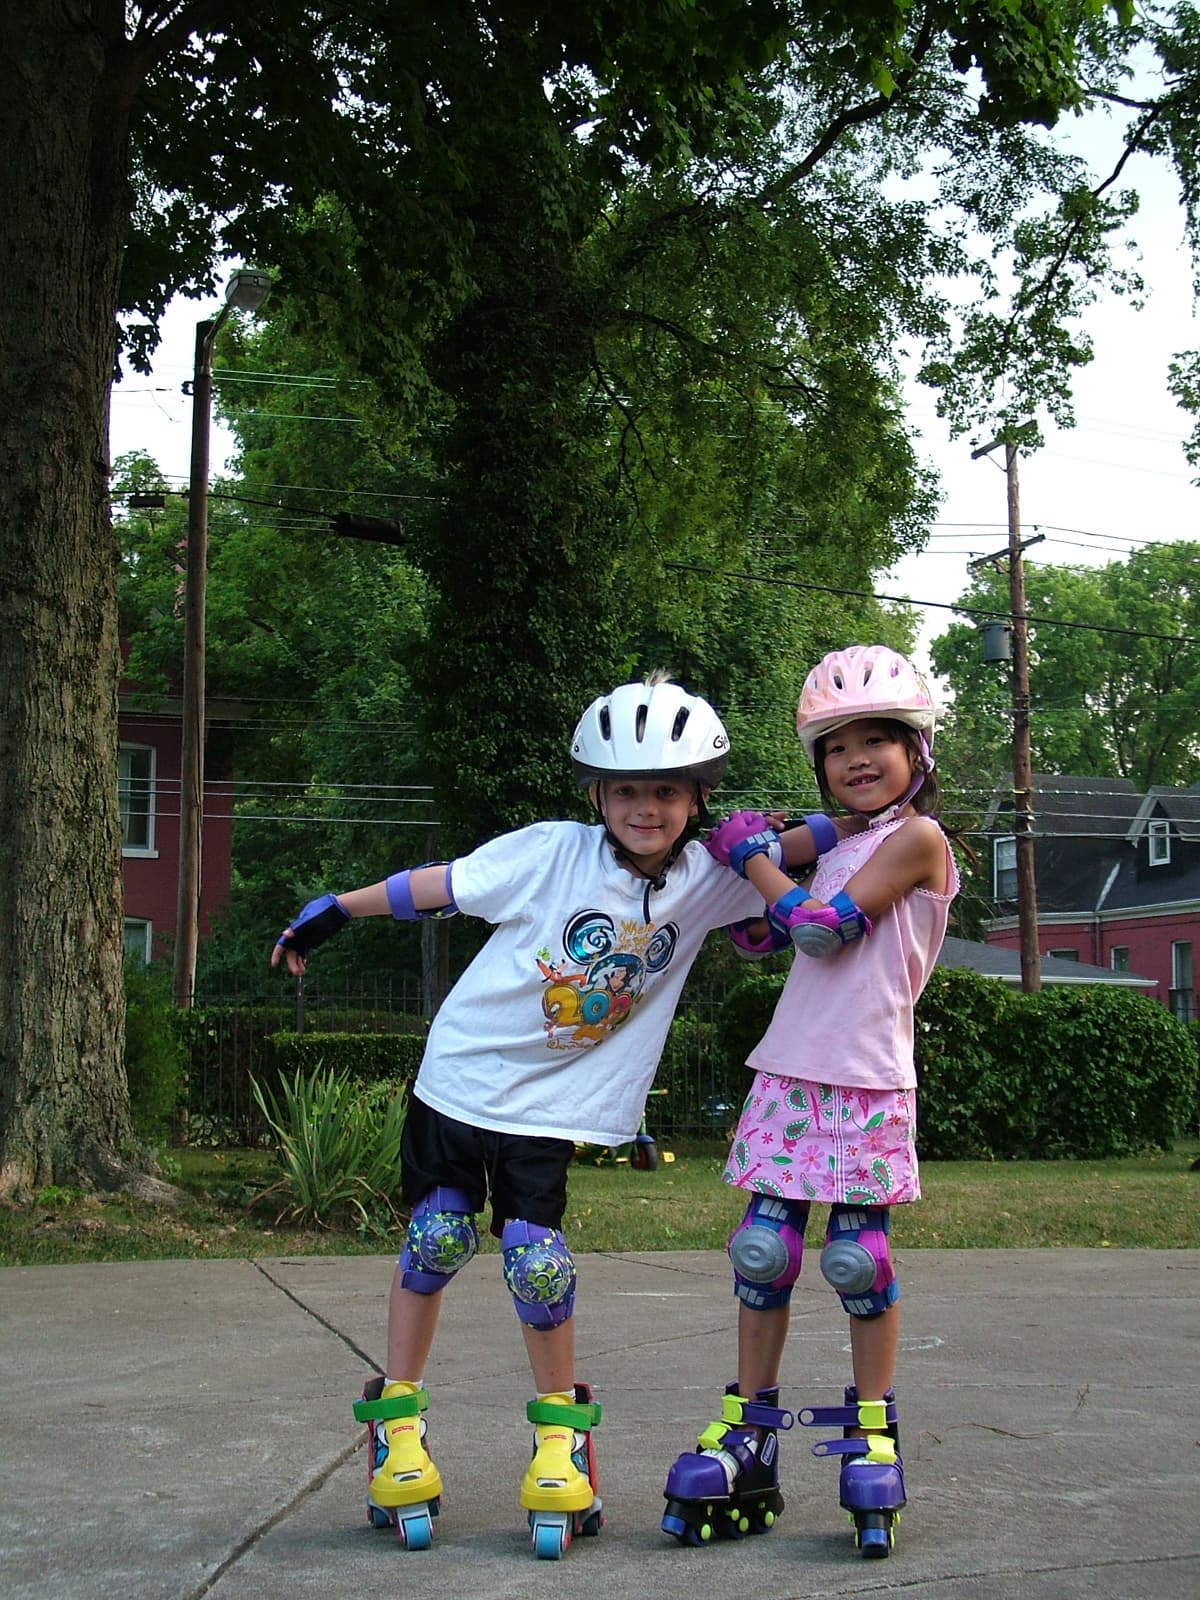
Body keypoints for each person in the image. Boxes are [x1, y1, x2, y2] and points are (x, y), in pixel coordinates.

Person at [270, 674, 840, 1560]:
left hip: (548, 1109)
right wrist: (338, 911)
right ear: (595, 794)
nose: (644, 808)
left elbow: (802, 848)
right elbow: (441, 886)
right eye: (625, 790)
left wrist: (877, 809)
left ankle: (558, 1442)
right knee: (437, 1237)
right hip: (459, 1080)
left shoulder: (709, 877)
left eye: (665, 790)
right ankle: (399, 1426)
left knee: (536, 1263)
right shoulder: (550, 851)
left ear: (698, 797)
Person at [660, 644, 961, 1560]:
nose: (858, 759)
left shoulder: (917, 840)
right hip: (792, 1071)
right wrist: (733, 844)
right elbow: (763, 930)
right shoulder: (835, 841)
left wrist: (757, 862)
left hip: (868, 1080)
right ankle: (751, 1431)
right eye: (837, 746)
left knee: (856, 1260)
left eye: (879, 739)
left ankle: (871, 1430)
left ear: (919, 753)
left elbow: (824, 933)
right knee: (764, 1252)